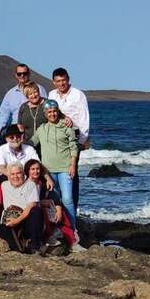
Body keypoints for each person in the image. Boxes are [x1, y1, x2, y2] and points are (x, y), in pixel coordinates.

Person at [28, 100, 79, 231]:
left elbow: (74, 148)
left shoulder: (67, 127)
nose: (52, 114)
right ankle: (58, 227)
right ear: (45, 114)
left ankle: (73, 229)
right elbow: (31, 143)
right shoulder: (42, 129)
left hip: (65, 169)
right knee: (54, 201)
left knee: (67, 199)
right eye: (49, 112)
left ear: (58, 112)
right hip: (48, 171)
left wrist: (73, 165)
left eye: (54, 111)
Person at [48, 67, 89, 215]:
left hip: (74, 138)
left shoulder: (78, 95)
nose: (61, 84)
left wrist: (81, 142)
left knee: (72, 175)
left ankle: (73, 210)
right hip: (57, 139)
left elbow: (84, 120)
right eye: (58, 81)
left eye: (63, 80)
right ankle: (59, 212)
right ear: (53, 82)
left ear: (68, 79)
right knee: (57, 176)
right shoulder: (52, 94)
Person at [25, 159, 78, 250]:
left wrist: (59, 209)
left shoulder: (43, 182)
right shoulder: (25, 184)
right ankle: (49, 237)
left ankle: (72, 240)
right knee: (43, 211)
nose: (36, 171)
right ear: (28, 171)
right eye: (32, 169)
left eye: (37, 169)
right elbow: (26, 202)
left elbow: (53, 195)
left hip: (47, 208)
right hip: (33, 212)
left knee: (63, 213)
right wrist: (41, 202)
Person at [0, 64, 47, 138]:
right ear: (16, 75)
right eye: (19, 74)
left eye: (25, 73)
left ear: (29, 74)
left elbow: (47, 108)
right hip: (15, 129)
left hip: (35, 128)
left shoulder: (39, 89)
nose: (22, 75)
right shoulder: (10, 94)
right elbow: (4, 114)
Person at [1, 163, 44, 253]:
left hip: (25, 219)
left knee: (36, 211)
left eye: (18, 173)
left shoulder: (31, 185)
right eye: (12, 174)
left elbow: (31, 206)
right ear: (8, 176)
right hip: (8, 219)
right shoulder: (4, 185)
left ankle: (35, 246)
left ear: (23, 174)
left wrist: (16, 221)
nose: (15, 176)